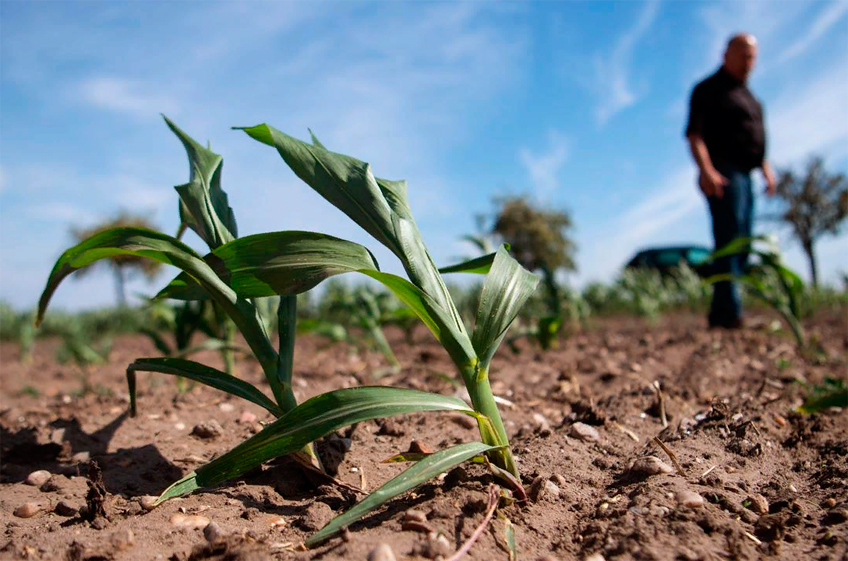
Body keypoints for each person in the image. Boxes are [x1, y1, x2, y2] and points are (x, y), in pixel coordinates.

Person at [685, 33, 776, 329]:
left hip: (747, 174)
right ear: (727, 54)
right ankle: (731, 315)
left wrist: (764, 167)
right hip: (724, 172)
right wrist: (706, 170)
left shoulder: (750, 97)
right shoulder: (709, 90)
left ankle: (722, 313)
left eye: (753, 56)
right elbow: (695, 135)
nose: (750, 62)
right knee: (729, 240)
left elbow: (752, 139)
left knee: (744, 244)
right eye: (744, 55)